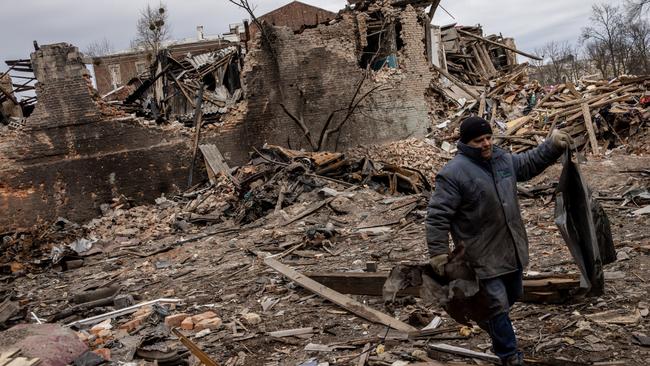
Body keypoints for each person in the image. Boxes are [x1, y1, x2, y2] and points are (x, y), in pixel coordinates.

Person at [425, 116, 572, 366]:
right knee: (496, 304)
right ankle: (509, 355)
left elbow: (527, 164)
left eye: (488, 138)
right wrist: (439, 252)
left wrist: (552, 146)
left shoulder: (502, 159)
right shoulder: (452, 174)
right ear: (465, 143)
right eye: (478, 140)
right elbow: (438, 215)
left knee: (512, 294)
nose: (485, 144)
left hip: (509, 248)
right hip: (478, 255)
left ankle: (486, 318)